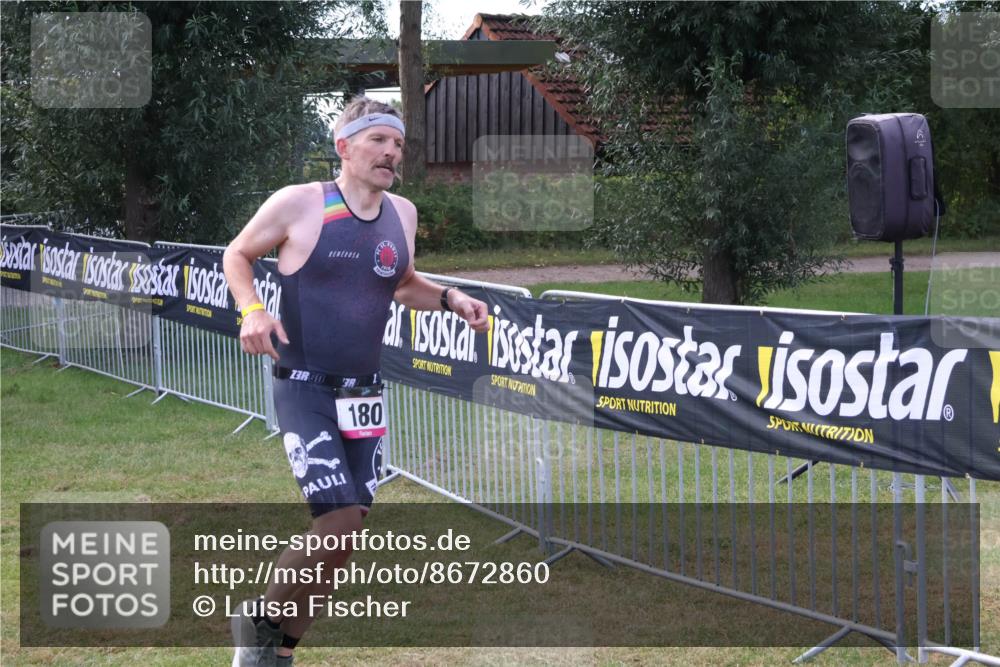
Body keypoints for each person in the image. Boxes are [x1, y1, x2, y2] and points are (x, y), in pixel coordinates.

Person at [222, 96, 489, 667]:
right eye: (379, 141)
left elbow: (401, 281)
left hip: (363, 393)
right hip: (305, 385)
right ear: (344, 147)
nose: (391, 152)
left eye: (398, 144)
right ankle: (258, 624)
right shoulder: (301, 203)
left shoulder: (404, 214)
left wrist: (448, 297)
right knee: (337, 521)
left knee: (342, 543)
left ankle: (279, 653)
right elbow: (237, 254)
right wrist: (252, 310)